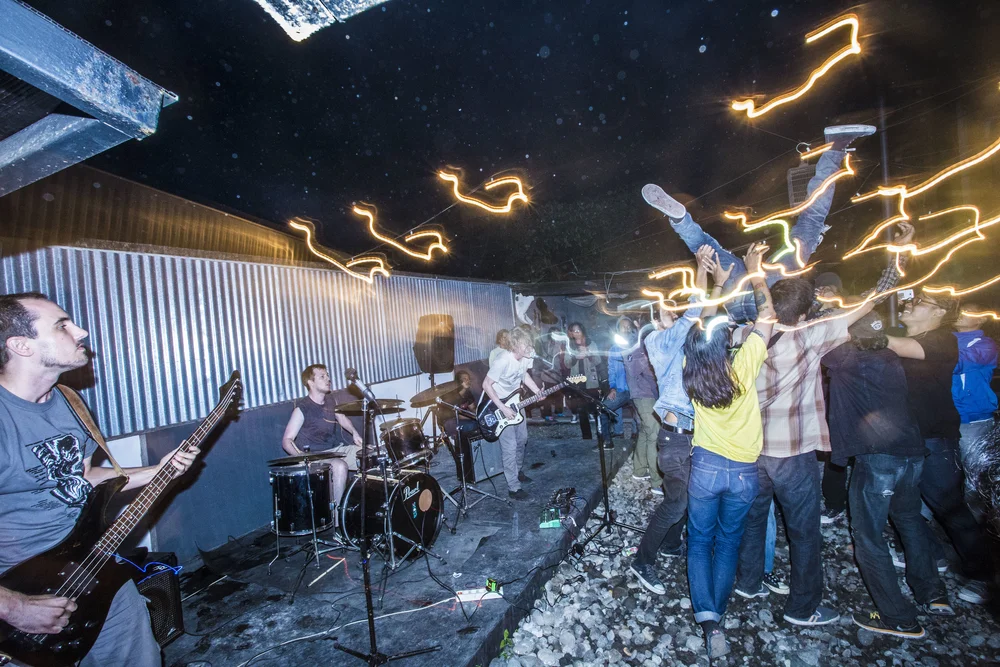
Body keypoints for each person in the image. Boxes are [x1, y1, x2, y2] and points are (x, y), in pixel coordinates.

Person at [0, 292, 200, 667]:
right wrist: (15, 607)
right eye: (62, 325)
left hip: (93, 567)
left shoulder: (69, 401)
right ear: (21, 345)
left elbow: (84, 477)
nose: (82, 331)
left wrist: (159, 470)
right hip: (21, 592)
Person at [733, 224, 912, 627]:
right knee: (803, 530)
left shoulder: (745, 334)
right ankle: (802, 608)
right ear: (806, 312)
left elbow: (761, 315)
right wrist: (898, 253)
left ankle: (748, 581)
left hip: (750, 449)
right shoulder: (812, 335)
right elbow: (875, 296)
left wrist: (755, 271)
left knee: (754, 519)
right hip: (791, 454)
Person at [642, 124, 876, 321]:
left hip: (770, 296)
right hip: (734, 300)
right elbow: (705, 318)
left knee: (812, 220)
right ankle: (680, 220)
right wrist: (712, 277)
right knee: (706, 246)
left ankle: (836, 147)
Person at [822, 311, 953, 638]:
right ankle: (932, 593)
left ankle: (898, 618)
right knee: (909, 519)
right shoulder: (891, 355)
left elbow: (816, 344)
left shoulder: (844, 357)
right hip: (912, 452)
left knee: (868, 536)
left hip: (879, 459)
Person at [682, 243, 775, 659]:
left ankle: (709, 621)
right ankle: (717, 615)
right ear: (727, 343)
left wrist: (715, 285)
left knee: (699, 542)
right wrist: (755, 271)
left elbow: (700, 330)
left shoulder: (690, 371)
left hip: (704, 468)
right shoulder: (742, 367)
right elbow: (767, 317)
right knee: (728, 542)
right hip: (742, 472)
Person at [887, 290, 994, 604]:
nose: (910, 303)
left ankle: (984, 576)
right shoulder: (915, 337)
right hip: (907, 436)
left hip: (936, 437)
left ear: (938, 314)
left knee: (951, 507)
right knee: (905, 504)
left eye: (921, 302)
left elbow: (891, 344)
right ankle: (933, 554)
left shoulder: (943, 341)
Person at [629, 245, 723, 594]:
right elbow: (695, 310)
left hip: (693, 435)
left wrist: (717, 285)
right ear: (656, 318)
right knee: (676, 503)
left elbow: (703, 317)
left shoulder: (683, 340)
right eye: (664, 308)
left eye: (673, 306)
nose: (671, 309)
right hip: (674, 437)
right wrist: (701, 269)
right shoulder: (659, 340)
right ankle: (642, 561)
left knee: (686, 498)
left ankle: (670, 544)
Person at [280, 364, 358, 517]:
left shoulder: (331, 400)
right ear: (310, 382)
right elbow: (287, 440)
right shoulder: (302, 408)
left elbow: (342, 419)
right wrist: (302, 457)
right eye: (322, 376)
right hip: (315, 456)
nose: (328, 379)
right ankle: (338, 521)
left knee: (369, 453)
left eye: (327, 375)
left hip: (335, 450)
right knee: (340, 466)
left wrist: (355, 433)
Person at [481, 327, 542, 500]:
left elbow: (524, 375)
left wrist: (537, 391)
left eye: (530, 344)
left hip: (516, 402)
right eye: (525, 344)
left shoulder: (526, 357)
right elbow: (486, 385)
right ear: (515, 345)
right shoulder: (503, 360)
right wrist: (502, 408)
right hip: (500, 406)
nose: (529, 347)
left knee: (522, 440)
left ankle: (517, 471)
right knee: (510, 446)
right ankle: (513, 488)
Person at [951, 305, 998, 496]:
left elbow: (957, 363)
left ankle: (977, 512)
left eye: (967, 312)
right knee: (945, 476)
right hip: (945, 417)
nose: (959, 314)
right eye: (959, 310)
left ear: (981, 319)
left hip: (973, 419)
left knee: (974, 478)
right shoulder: (944, 340)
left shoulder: (985, 345)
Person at [558, 322, 608, 445]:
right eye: (573, 331)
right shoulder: (570, 346)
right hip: (577, 382)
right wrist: (576, 357)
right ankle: (587, 439)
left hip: (591, 382)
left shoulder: (591, 343)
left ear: (582, 331)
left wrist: (589, 354)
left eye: (578, 330)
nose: (576, 333)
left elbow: (598, 361)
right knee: (581, 411)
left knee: (596, 410)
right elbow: (567, 364)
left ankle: (602, 438)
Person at [604, 316, 635, 440]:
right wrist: (612, 388)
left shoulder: (637, 345)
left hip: (636, 389)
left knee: (640, 414)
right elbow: (611, 370)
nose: (626, 329)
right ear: (618, 330)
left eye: (628, 327)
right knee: (605, 407)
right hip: (621, 389)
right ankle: (617, 433)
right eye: (623, 327)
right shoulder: (614, 349)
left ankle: (636, 434)